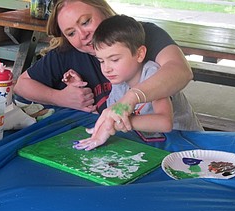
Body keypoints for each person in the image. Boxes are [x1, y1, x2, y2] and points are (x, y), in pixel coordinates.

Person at [14, 0, 193, 136]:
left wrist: (132, 98)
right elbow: (22, 85)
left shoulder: (137, 35)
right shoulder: (67, 52)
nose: (83, 35)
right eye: (71, 33)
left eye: (85, 22)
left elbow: (180, 71)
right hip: (133, 140)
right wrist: (61, 98)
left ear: (103, 10)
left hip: (181, 138)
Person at [66, 15, 202, 150]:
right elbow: (116, 111)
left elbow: (164, 122)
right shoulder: (118, 82)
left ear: (140, 54)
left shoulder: (152, 74)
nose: (106, 69)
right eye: (101, 61)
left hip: (189, 142)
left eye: (114, 59)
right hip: (157, 144)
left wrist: (118, 122)